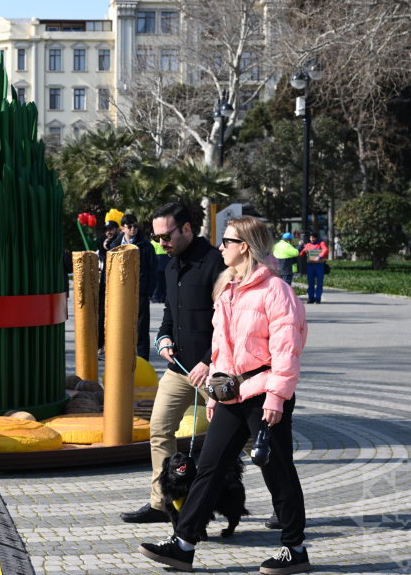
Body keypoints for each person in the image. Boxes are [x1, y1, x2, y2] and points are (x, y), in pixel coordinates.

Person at [140, 215, 309, 574]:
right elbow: (221, 351)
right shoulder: (228, 289)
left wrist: (277, 398)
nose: (221, 247)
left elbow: (287, 351)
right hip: (232, 393)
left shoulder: (276, 291)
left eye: (227, 242)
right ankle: (183, 545)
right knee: (210, 469)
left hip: (265, 393)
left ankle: (295, 549)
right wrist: (215, 395)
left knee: (278, 470)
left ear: (244, 247)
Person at [120, 202, 225, 525]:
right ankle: (160, 503)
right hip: (177, 371)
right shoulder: (169, 266)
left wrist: (208, 362)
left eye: (166, 236)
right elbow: (169, 314)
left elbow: (229, 324)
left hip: (215, 373)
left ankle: (283, 506)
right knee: (159, 429)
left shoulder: (216, 263)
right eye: (157, 238)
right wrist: (162, 338)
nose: (161, 243)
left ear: (187, 229)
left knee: (247, 439)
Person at [119, 214, 157, 360]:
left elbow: (153, 269)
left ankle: (142, 361)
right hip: (121, 294)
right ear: (123, 228)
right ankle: (123, 360)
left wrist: (148, 292)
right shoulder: (116, 245)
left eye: (135, 226)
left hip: (140, 293)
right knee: (122, 328)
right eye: (129, 226)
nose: (133, 229)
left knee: (141, 329)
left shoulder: (145, 245)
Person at [96, 211, 122, 359]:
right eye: (106, 230)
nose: (108, 232)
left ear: (118, 229)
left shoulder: (120, 241)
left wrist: (112, 246)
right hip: (105, 284)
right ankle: (100, 345)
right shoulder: (103, 239)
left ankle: (113, 346)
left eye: (111, 229)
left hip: (118, 285)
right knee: (101, 315)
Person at [300, 232, 329, 304]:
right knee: (310, 282)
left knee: (319, 282)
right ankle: (311, 298)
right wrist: (304, 251)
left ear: (316, 238)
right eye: (310, 238)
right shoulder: (308, 245)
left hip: (319, 265)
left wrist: (319, 257)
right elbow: (301, 254)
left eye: (313, 238)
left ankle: (318, 298)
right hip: (310, 265)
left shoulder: (321, 243)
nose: (312, 239)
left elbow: (326, 250)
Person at [151, 237, 169, 303]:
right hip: (166, 262)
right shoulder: (166, 241)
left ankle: (156, 297)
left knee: (158, 283)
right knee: (164, 283)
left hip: (158, 264)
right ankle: (164, 297)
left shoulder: (153, 243)